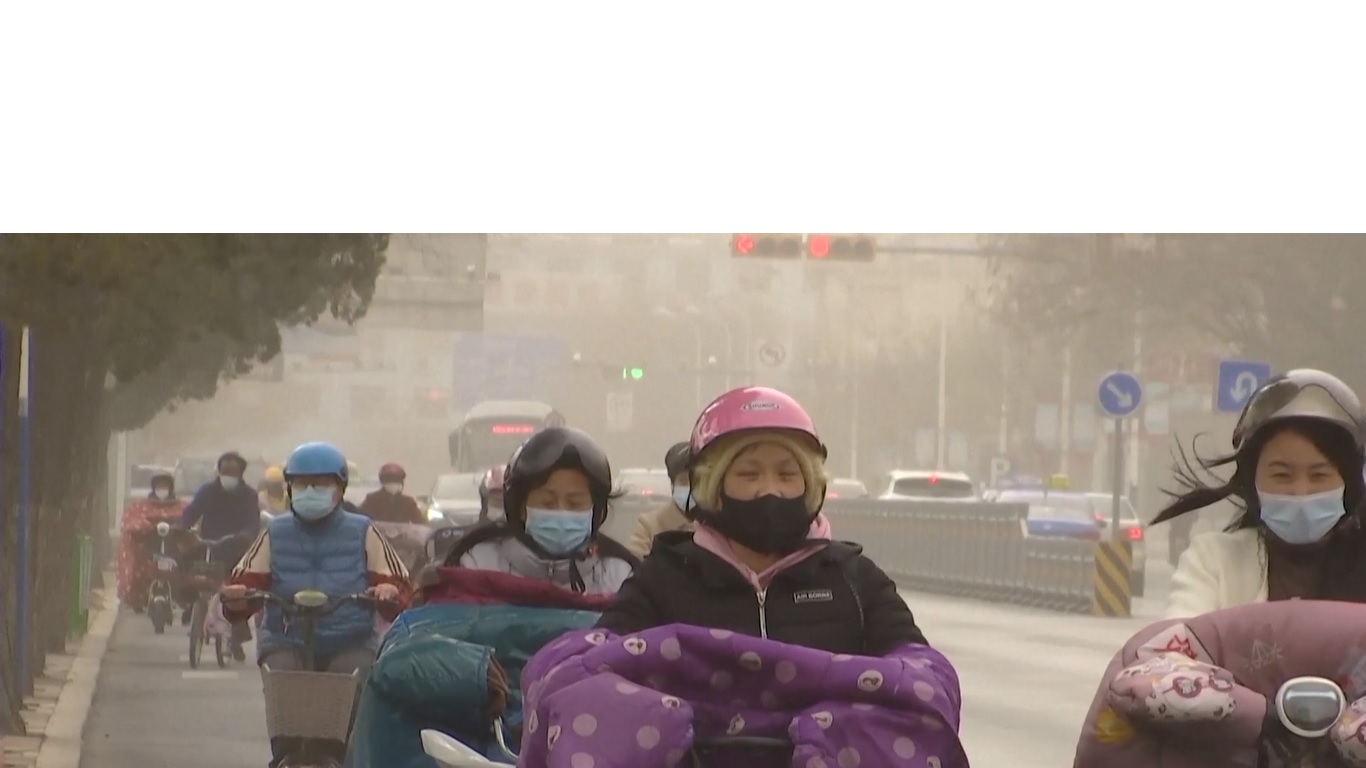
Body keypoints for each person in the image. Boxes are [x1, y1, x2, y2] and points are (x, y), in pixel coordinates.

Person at [516, 386, 966, 768]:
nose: (769, 489)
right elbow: (596, 665)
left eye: (787, 474)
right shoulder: (666, 575)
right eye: (748, 473)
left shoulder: (854, 579)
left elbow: (920, 676)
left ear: (811, 487)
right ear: (713, 487)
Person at [220, 441, 412, 768]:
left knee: (351, 680)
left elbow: (400, 584)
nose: (311, 491)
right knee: (281, 677)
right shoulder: (274, 532)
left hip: (350, 637)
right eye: (302, 484)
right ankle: (284, 756)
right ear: (289, 488)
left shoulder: (363, 530)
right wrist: (238, 597)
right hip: (286, 636)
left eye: (321, 484)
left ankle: (344, 756)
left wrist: (387, 593)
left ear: (340, 489)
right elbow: (246, 582)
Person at [1153, 369, 1366, 618]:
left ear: (1351, 483)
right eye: (1281, 475)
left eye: (1319, 476)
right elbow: (1180, 635)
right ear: (1251, 481)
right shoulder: (1214, 561)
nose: (1300, 491)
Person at [440, 426, 638, 593]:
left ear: (596, 511)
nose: (561, 512)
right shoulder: (476, 566)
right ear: (520, 508)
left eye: (575, 503)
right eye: (547, 502)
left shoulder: (620, 577)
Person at [625, 440, 694, 557]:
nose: (691, 488)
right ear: (673, 485)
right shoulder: (649, 525)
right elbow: (636, 562)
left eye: (697, 481)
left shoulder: (717, 524)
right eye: (683, 482)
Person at [181, 451, 262, 540]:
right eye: (224, 473)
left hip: (240, 545)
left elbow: (253, 524)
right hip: (209, 544)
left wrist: (243, 536)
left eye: (232, 473)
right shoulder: (207, 491)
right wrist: (182, 528)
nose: (227, 476)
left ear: (240, 474)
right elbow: (191, 513)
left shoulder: (249, 495)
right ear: (219, 472)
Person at [358, 463, 426, 524]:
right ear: (383, 482)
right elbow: (360, 518)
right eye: (389, 481)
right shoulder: (371, 500)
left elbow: (421, 523)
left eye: (396, 481)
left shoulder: (408, 502)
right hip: (376, 536)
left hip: (402, 537)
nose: (393, 484)